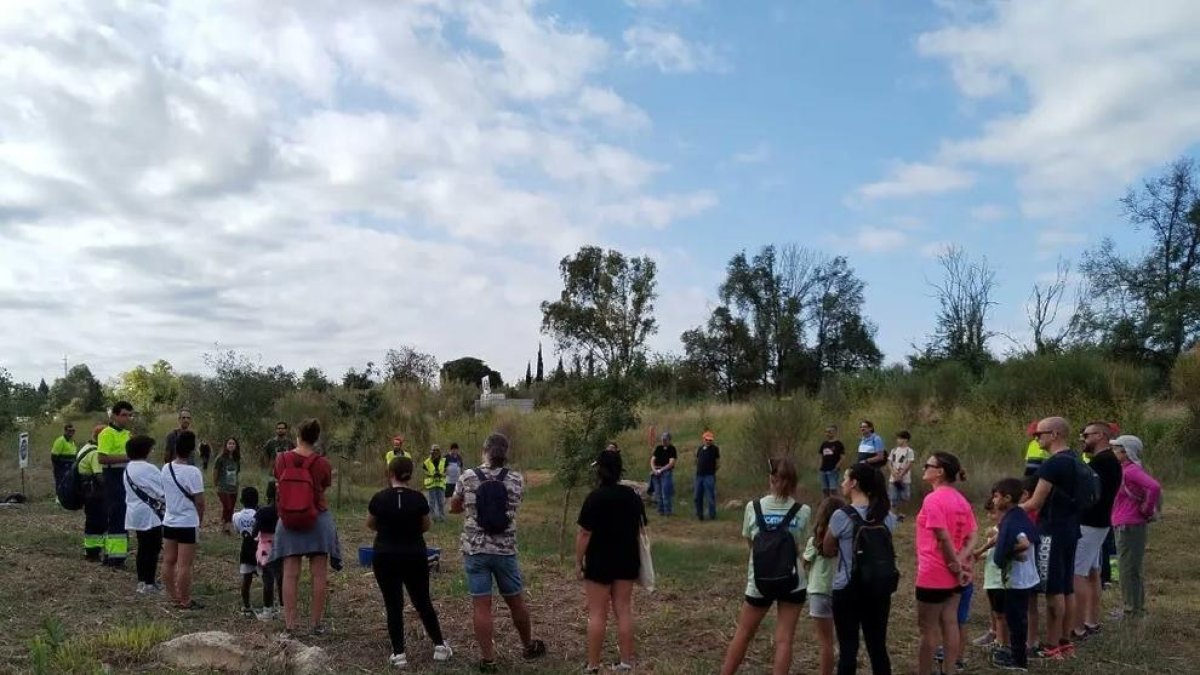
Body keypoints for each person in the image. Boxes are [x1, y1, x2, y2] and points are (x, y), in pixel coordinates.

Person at [449, 432, 546, 673]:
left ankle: (488, 659)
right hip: (504, 550)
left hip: (475, 549)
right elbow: (514, 505)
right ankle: (527, 645)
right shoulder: (515, 479)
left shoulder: (468, 476)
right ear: (506, 453)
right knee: (515, 601)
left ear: (485, 450)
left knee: (482, 605)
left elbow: (454, 506)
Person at [720, 456, 810, 675]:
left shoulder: (753, 507)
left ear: (771, 479)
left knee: (743, 632)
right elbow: (798, 545)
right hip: (793, 580)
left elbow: (751, 543)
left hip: (760, 580)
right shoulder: (803, 510)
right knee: (784, 639)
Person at [368, 455, 452, 668]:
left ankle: (399, 654)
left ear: (390, 474)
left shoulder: (379, 498)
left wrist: (389, 529)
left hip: (385, 555)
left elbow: (371, 524)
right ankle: (440, 646)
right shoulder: (418, 499)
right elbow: (425, 526)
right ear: (410, 475)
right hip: (413, 554)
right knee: (422, 601)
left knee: (393, 604)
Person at [823, 463, 897, 675]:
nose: (843, 483)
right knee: (878, 646)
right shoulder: (886, 515)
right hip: (879, 587)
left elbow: (828, 548)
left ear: (854, 483)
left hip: (848, 588)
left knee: (848, 649)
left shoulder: (841, 515)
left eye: (846, 478)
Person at [271, 418, 342, 636]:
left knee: (290, 573)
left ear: (297, 434)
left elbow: (277, 483)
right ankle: (316, 625)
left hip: (289, 518)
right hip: (317, 518)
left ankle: (290, 626)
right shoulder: (322, 463)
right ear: (316, 438)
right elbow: (324, 487)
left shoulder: (282, 458)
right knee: (318, 574)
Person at [578, 450, 646, 673]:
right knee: (624, 609)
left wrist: (578, 561)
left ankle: (593, 665)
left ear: (599, 471)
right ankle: (626, 662)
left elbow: (584, 534)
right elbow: (640, 528)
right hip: (626, 560)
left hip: (599, 562)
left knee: (597, 614)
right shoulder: (632, 496)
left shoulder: (594, 498)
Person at [1020, 416, 1081, 660]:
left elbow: (1035, 502)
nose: (1037, 438)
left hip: (1051, 532)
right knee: (1067, 588)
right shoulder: (1075, 459)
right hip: (1071, 529)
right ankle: (1065, 642)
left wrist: (1012, 508)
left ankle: (1051, 645)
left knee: (1052, 590)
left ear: (1055, 434)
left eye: (1040, 434)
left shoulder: (1052, 465)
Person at [914, 452, 977, 675]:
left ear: (939, 471)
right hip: (958, 576)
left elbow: (943, 537)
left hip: (934, 573)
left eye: (927, 465)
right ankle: (950, 670)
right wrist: (961, 561)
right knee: (950, 621)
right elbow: (973, 535)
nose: (924, 468)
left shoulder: (933, 500)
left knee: (928, 629)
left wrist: (953, 564)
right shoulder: (961, 500)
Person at [1072, 421, 1122, 640]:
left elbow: (1089, 494)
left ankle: (1077, 627)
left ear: (1100, 436)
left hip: (1090, 523)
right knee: (1093, 572)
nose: (1083, 438)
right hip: (1099, 522)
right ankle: (1092, 620)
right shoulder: (1107, 461)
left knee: (1077, 574)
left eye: (1086, 435)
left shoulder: (1102, 463)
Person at [990, 477, 1041, 672]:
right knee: (1018, 617)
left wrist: (1007, 554)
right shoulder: (1021, 515)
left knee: (1015, 618)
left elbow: (1024, 543)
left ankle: (1018, 660)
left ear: (1007, 498)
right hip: (1026, 577)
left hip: (1016, 580)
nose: (994, 500)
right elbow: (1032, 537)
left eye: (996, 496)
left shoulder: (1010, 521)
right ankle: (1017, 654)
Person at [1110, 435, 1160, 619]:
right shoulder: (1128, 469)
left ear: (1126, 451)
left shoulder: (1129, 471)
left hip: (1128, 524)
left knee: (1127, 569)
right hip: (1130, 523)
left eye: (1116, 449)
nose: (1114, 452)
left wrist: (1146, 509)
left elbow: (1154, 487)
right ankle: (1137, 608)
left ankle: (1130, 610)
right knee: (1133, 568)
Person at [161, 430, 205, 610]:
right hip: (187, 522)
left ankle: (173, 596)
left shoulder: (166, 468)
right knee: (184, 564)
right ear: (192, 450)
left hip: (169, 520)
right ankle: (185, 600)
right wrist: (199, 521)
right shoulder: (193, 472)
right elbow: (200, 502)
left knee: (168, 560)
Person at [805, 496, 846, 675]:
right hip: (841, 591)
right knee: (844, 639)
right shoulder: (847, 540)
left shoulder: (814, 541)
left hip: (819, 592)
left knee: (825, 644)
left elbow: (805, 563)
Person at [124, 434, 165, 595]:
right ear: (145, 451)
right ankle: (149, 583)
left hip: (134, 512)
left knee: (142, 547)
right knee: (153, 548)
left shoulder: (128, 467)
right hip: (150, 513)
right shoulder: (149, 468)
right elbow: (161, 490)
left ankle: (141, 581)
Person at [97, 401, 134, 567]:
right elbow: (102, 458)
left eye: (129, 415)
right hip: (112, 475)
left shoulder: (127, 434)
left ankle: (118, 554)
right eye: (124, 415)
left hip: (125, 475)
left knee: (123, 514)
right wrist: (127, 456)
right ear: (114, 415)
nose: (127, 418)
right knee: (116, 513)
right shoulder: (106, 433)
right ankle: (114, 557)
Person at [971, 498, 1005, 650]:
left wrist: (980, 552)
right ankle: (993, 632)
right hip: (991, 575)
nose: (990, 517)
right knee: (993, 607)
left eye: (993, 513)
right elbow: (992, 553)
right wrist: (978, 556)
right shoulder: (993, 530)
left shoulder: (1002, 531)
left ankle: (1000, 639)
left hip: (1000, 577)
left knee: (1000, 610)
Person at [253, 481, 282, 621]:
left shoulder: (263, 512)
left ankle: (267, 611)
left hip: (265, 549)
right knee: (282, 579)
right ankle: (283, 609)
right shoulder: (283, 511)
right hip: (282, 547)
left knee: (268, 581)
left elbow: (254, 532)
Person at [77, 425, 107, 562]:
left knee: (91, 521)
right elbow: (100, 476)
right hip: (94, 493)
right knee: (97, 522)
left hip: (86, 492)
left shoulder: (86, 447)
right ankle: (93, 553)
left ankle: (90, 551)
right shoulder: (95, 452)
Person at [233, 486, 262, 617]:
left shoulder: (236, 516)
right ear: (257, 500)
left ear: (241, 500)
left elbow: (238, 531)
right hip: (260, 548)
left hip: (245, 549)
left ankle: (246, 606)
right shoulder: (260, 514)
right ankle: (269, 605)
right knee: (267, 579)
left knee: (246, 579)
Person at [213, 438, 242, 535]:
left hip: (233, 487)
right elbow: (215, 472)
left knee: (231, 508)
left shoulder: (236, 458)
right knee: (227, 506)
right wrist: (216, 484)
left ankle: (226, 527)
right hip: (223, 487)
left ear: (236, 446)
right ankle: (225, 525)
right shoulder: (220, 458)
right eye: (229, 443)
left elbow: (237, 471)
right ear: (226, 445)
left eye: (233, 443)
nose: (231, 445)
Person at [886, 431, 915, 521]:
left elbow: (910, 463)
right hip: (893, 478)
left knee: (904, 498)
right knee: (892, 498)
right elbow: (889, 462)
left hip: (904, 479)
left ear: (905, 439)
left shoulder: (909, 451)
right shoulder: (894, 450)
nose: (898, 440)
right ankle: (892, 515)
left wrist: (901, 474)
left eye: (900, 438)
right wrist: (893, 473)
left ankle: (902, 515)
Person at [649, 432, 677, 516]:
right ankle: (660, 511)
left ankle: (668, 511)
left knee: (665, 493)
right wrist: (654, 469)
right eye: (662, 439)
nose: (663, 441)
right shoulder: (658, 448)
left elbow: (671, 463)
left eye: (665, 440)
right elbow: (652, 460)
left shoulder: (672, 449)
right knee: (658, 493)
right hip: (656, 471)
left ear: (669, 440)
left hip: (666, 472)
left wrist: (661, 470)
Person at [694, 431, 720, 521]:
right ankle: (699, 514)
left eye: (710, 440)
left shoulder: (714, 449)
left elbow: (718, 462)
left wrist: (713, 471)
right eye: (707, 440)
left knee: (710, 496)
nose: (708, 441)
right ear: (703, 439)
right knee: (697, 496)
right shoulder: (700, 449)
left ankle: (712, 515)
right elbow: (697, 460)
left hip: (709, 476)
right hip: (699, 476)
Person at [423, 444, 449, 523]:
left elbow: (446, 471)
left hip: (440, 483)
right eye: (434, 450)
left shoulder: (444, 460)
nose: (435, 452)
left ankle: (442, 518)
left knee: (441, 502)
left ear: (439, 451)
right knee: (431, 502)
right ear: (431, 451)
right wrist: (432, 475)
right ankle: (432, 518)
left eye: (437, 450)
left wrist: (442, 474)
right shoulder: (427, 462)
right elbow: (425, 472)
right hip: (432, 483)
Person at [818, 426, 845, 498]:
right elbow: (821, 456)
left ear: (834, 433)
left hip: (833, 470)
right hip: (823, 470)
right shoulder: (824, 444)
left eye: (829, 432)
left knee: (833, 490)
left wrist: (837, 467)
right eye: (826, 432)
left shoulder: (838, 444)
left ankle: (837, 505)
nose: (827, 434)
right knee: (825, 490)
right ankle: (826, 505)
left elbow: (842, 458)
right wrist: (820, 466)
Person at [50, 423, 78, 491]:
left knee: (69, 485)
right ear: (65, 431)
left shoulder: (72, 441)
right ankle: (58, 499)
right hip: (62, 467)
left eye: (73, 431)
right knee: (60, 484)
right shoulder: (60, 440)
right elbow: (54, 456)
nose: (71, 433)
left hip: (71, 467)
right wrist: (59, 467)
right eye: (69, 431)